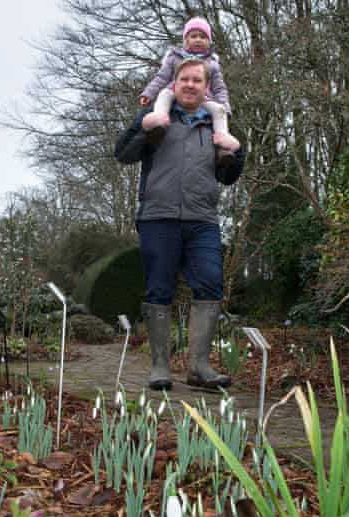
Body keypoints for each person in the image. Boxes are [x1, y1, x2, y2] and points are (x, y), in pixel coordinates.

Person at [115, 57, 245, 391]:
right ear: (174, 84)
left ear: (206, 86)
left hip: (202, 220)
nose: (190, 84)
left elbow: (229, 177)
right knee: (160, 287)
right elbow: (123, 153)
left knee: (211, 284)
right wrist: (144, 130)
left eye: (197, 80)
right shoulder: (154, 118)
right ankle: (160, 366)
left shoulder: (216, 124)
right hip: (158, 216)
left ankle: (199, 367)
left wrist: (238, 152)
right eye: (184, 79)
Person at [139, 17, 239, 167]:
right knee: (164, 94)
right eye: (194, 36)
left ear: (209, 41)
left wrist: (225, 106)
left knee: (219, 110)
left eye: (203, 36)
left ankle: (222, 147)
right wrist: (148, 93)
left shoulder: (212, 64)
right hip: (175, 91)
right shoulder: (174, 57)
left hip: (203, 97)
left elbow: (219, 88)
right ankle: (159, 122)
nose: (198, 40)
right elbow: (161, 78)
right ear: (186, 40)